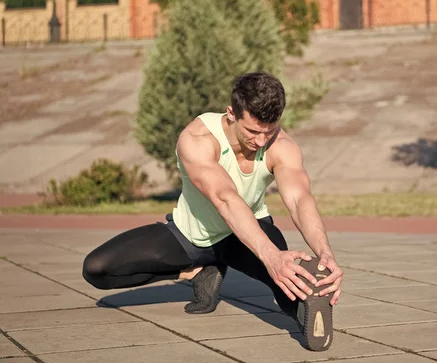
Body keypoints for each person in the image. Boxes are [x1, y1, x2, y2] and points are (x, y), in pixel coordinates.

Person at [82, 72, 343, 351]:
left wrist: (324, 252)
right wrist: (270, 256)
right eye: (252, 132)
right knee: (97, 269)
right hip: (191, 235)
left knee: (290, 281)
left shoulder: (282, 145)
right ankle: (195, 272)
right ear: (231, 113)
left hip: (246, 233)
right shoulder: (197, 138)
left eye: (269, 131)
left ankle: (307, 313)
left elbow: (300, 199)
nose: (261, 141)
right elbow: (225, 197)